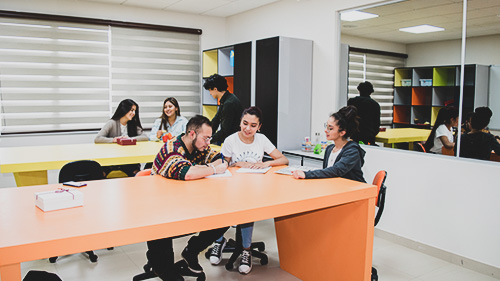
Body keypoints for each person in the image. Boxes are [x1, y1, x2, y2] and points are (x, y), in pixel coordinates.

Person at [146, 115, 229, 281]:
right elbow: (188, 174)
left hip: (187, 202)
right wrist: (212, 169)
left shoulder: (200, 148)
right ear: (192, 134)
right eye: (206, 138)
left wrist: (211, 166)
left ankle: (191, 250)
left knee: (226, 216)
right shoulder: (172, 149)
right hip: (159, 209)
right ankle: (160, 267)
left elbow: (221, 160)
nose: (208, 143)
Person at [208, 106, 289, 274]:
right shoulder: (231, 140)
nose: (248, 128)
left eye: (253, 125)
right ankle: (218, 241)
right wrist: (235, 164)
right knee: (218, 206)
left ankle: (246, 250)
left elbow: (283, 159)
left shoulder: (261, 139)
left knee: (248, 209)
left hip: (254, 188)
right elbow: (222, 164)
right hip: (230, 188)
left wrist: (266, 163)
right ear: (240, 122)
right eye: (245, 123)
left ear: (259, 127)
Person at [292, 105, 366, 183]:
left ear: (342, 132)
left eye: (330, 128)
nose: (325, 130)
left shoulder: (352, 151)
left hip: (356, 191)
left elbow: (336, 170)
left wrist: (307, 174)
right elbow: (327, 173)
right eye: (326, 126)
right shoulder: (329, 148)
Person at [94, 99, 148, 176]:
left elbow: (145, 137)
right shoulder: (112, 123)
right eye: (131, 110)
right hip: (112, 161)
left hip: (129, 161)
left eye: (134, 111)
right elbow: (98, 139)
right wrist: (114, 140)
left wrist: (130, 139)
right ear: (124, 109)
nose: (133, 113)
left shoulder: (133, 124)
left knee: (136, 173)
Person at [203, 74, 243, 145]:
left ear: (215, 89)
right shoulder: (226, 99)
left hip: (234, 141)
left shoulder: (229, 103)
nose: (210, 93)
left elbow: (225, 131)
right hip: (229, 138)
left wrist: (209, 140)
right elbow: (216, 119)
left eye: (210, 90)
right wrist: (207, 134)